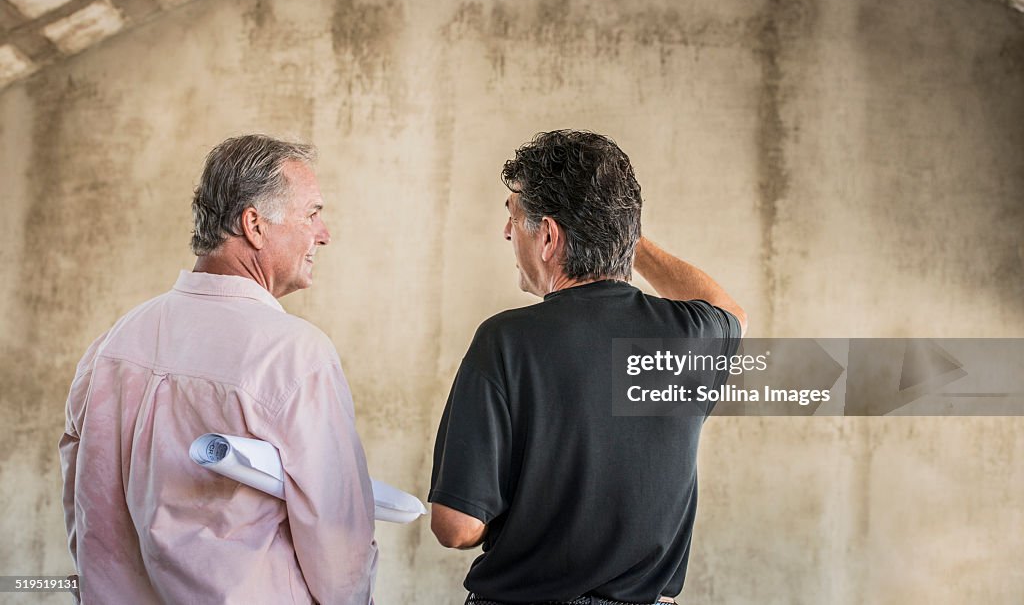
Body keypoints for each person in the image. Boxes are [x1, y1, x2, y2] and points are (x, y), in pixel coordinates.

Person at [429, 130, 747, 605]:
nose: (507, 231)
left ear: (549, 236)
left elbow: (456, 527)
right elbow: (730, 311)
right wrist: (621, 235)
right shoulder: (691, 337)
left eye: (513, 216)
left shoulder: (507, 340)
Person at [59, 135, 378, 604]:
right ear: (255, 224)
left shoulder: (112, 344)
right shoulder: (293, 354)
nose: (324, 232)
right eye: (312, 213)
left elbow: (81, 506)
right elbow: (337, 542)